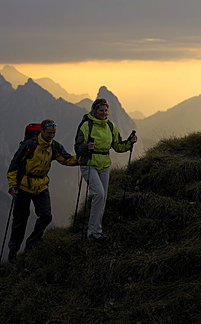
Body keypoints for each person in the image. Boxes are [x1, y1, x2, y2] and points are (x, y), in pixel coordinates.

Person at [7, 119, 78, 262]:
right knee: (20, 220)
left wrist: (85, 155)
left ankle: (31, 245)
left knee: (46, 215)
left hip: (41, 185)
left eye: (54, 133)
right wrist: (12, 186)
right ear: (42, 131)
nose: (52, 136)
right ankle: (13, 252)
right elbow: (14, 166)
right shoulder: (29, 145)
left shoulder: (54, 147)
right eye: (49, 133)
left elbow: (67, 160)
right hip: (23, 187)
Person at [74, 98, 137, 241]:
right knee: (100, 195)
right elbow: (77, 147)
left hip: (104, 165)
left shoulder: (110, 126)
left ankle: (95, 231)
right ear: (94, 110)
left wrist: (129, 142)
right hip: (88, 164)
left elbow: (118, 146)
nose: (103, 113)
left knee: (102, 198)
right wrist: (86, 147)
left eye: (105, 110)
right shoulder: (86, 125)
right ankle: (94, 232)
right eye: (100, 110)